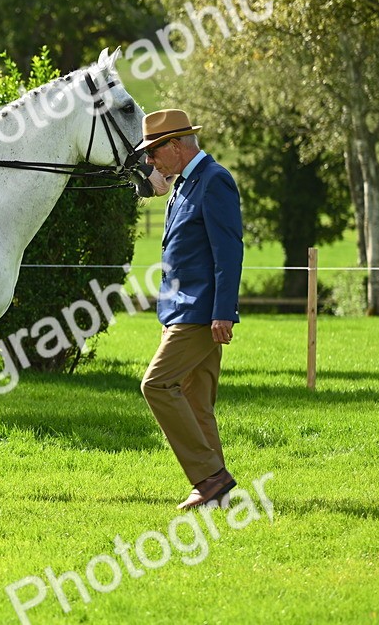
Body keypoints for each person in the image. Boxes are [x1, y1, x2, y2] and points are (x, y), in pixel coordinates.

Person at [134, 109, 243, 510]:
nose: (149, 160)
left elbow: (228, 252)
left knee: (156, 385)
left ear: (176, 147)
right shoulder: (184, 184)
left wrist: (223, 311)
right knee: (197, 404)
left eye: (153, 152)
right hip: (180, 311)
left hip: (200, 313)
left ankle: (210, 478)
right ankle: (220, 496)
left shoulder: (214, 181)